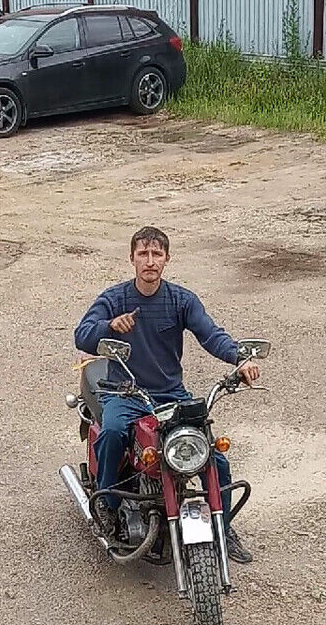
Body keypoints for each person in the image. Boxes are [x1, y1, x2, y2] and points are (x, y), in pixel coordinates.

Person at [74, 226, 259, 563]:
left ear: (167, 259)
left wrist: (239, 359)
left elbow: (211, 334)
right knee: (113, 432)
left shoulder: (181, 300)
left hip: (170, 394)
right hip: (125, 393)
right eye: (143, 254)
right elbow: (82, 335)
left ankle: (224, 526)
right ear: (132, 258)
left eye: (156, 254)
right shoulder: (114, 299)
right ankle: (107, 505)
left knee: (213, 455)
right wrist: (109, 326)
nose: (150, 261)